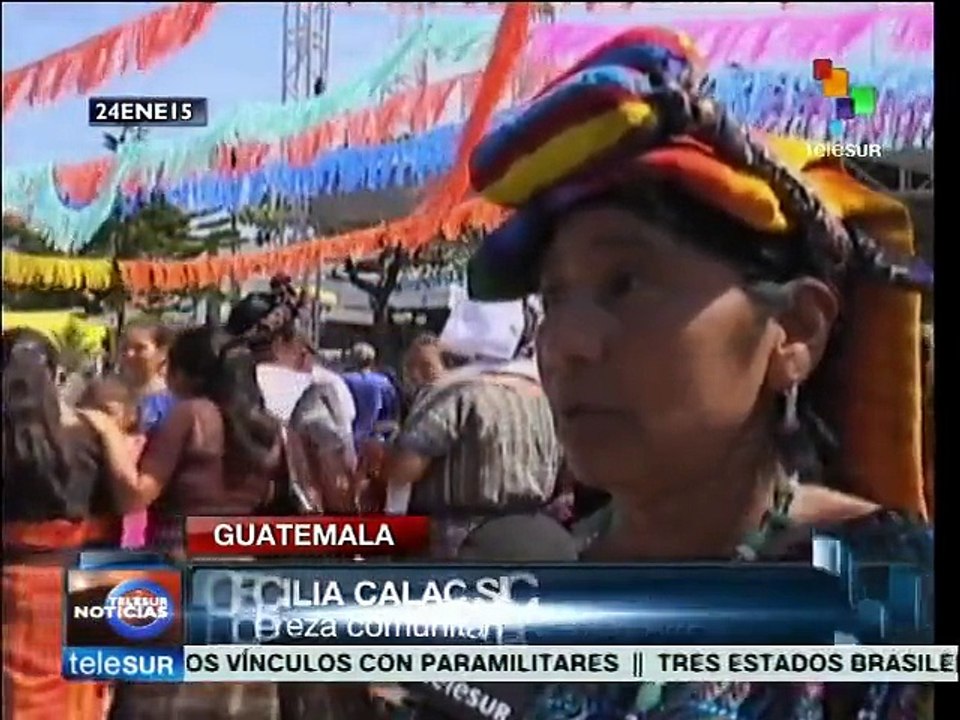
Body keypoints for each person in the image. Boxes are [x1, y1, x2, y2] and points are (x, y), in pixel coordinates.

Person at [449, 26, 933, 718]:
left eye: (626, 282)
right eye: (554, 298)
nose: (566, 342)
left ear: (795, 331)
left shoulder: (890, 588)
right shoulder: (528, 578)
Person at [82, 326, 288, 719]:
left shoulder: (190, 415)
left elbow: (136, 495)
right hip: (243, 575)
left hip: (179, 566)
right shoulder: (269, 428)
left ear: (185, 374)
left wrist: (106, 432)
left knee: (159, 701)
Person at [2, 328, 122, 720]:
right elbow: (128, 503)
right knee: (79, 701)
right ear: (55, 377)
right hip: (83, 583)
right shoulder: (91, 435)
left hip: (12, 589)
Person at [382, 296, 561, 557]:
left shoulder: (455, 394)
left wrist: (383, 458)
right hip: (535, 531)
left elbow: (405, 469)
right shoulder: (544, 395)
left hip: (458, 540)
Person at [76, 376, 148, 547]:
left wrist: (109, 434)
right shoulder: (78, 448)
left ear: (130, 415)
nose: (97, 420)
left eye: (107, 412)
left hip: (131, 540)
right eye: (92, 413)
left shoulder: (137, 444)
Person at [118, 319, 175, 433]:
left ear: (162, 352)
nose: (129, 354)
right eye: (125, 348)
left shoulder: (172, 400)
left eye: (140, 348)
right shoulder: (107, 393)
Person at [342, 341, 400, 444]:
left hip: (348, 434)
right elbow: (391, 408)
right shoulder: (383, 381)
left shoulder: (344, 380)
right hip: (374, 436)